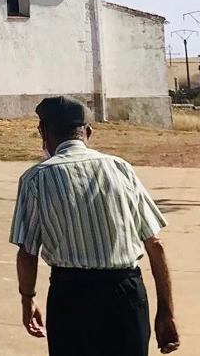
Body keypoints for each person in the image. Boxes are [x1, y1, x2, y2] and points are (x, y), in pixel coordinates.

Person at [11, 96, 180, 356]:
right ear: (88, 131)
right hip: (126, 295)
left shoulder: (36, 178)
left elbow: (27, 252)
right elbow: (155, 245)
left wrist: (27, 300)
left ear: (43, 133)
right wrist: (166, 312)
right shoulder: (120, 168)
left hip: (70, 298)